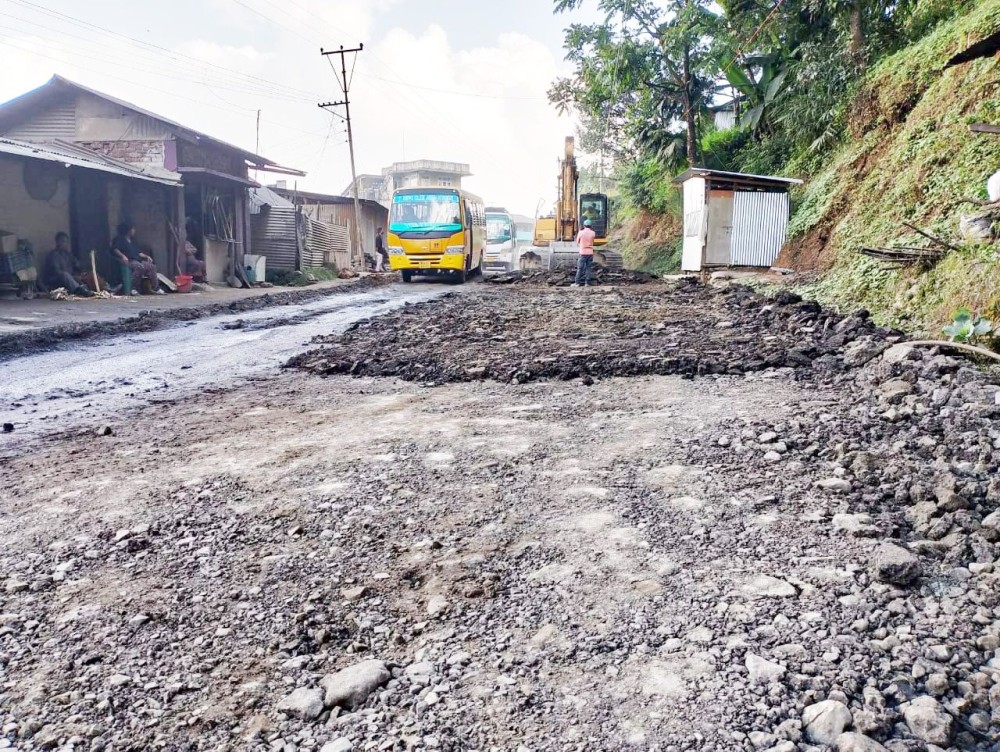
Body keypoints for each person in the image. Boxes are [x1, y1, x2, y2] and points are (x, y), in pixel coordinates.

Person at [111, 222, 163, 295]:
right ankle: (133, 289)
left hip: (137, 260)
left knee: (151, 267)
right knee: (139, 267)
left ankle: (156, 288)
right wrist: (123, 256)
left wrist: (147, 256)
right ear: (128, 230)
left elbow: (138, 252)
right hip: (128, 261)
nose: (134, 230)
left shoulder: (133, 240)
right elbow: (115, 249)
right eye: (133, 229)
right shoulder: (119, 239)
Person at [42, 232, 93, 297]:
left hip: (70, 278)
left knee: (87, 275)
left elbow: (78, 265)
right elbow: (57, 272)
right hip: (56, 279)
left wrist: (87, 265)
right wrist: (73, 277)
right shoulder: (53, 255)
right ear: (57, 242)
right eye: (63, 241)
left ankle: (101, 288)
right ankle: (78, 290)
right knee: (65, 275)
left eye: (66, 242)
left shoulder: (68, 255)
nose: (65, 244)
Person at [572, 219, 596, 288]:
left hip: (583, 252)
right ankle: (587, 283)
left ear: (584, 225)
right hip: (590, 253)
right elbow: (592, 241)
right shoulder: (593, 233)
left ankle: (577, 283)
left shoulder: (581, 232)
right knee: (588, 268)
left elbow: (577, 241)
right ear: (591, 226)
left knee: (580, 268)